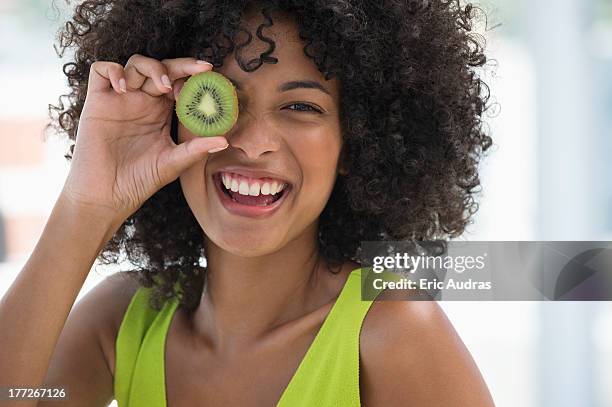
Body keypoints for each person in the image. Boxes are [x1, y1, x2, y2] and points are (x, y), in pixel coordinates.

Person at [0, 0, 496, 405]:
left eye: (302, 106)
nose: (254, 142)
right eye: (221, 99)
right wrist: (88, 204)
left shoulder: (393, 332)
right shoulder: (125, 318)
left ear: (358, 143)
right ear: (172, 118)